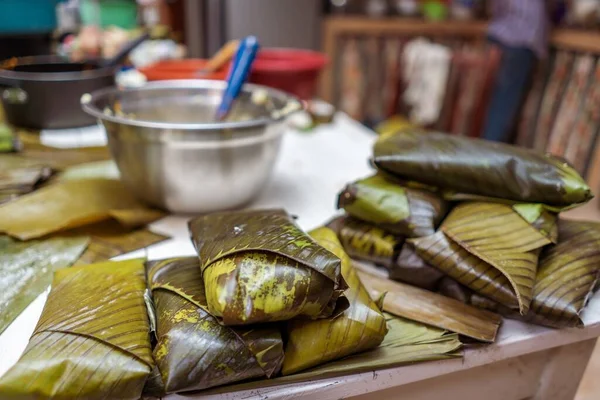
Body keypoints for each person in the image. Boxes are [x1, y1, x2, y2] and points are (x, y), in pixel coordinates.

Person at [482, 0, 550, 142]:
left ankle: (486, 153)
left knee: (496, 103)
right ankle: (488, 156)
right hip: (519, 39)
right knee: (503, 106)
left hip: (505, 34)